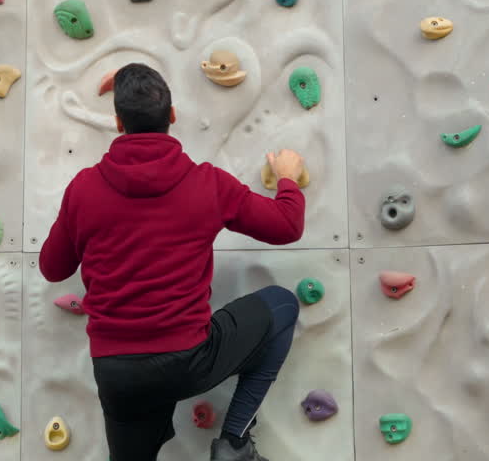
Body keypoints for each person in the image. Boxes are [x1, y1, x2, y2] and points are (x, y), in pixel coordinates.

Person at [39, 62, 307, 461]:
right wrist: (287, 178)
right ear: (173, 115)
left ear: (118, 122)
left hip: (117, 372)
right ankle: (234, 444)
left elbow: (52, 268)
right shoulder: (207, 183)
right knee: (282, 305)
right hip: (190, 359)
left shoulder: (83, 189)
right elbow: (287, 225)